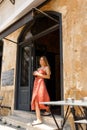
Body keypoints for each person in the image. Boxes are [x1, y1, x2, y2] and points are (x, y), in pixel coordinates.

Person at [31, 56, 51, 125]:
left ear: (45, 61)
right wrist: (35, 74)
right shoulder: (39, 68)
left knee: (42, 98)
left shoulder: (46, 68)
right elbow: (37, 75)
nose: (41, 61)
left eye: (42, 60)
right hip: (36, 83)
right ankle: (41, 116)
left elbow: (48, 76)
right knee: (38, 99)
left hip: (41, 83)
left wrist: (38, 74)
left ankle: (42, 116)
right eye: (40, 60)